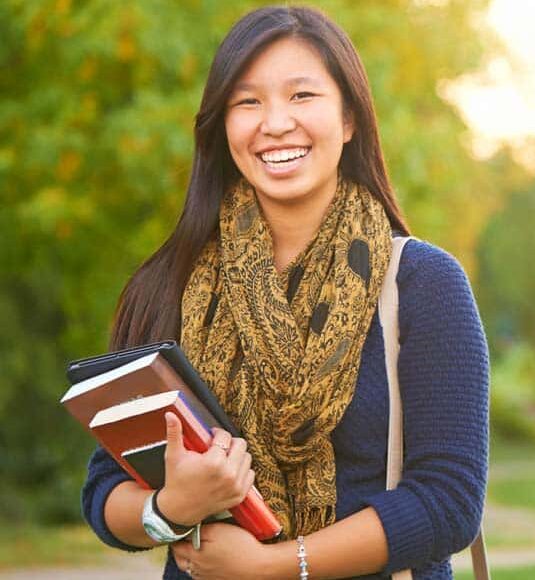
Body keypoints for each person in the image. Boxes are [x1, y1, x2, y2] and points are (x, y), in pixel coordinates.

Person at [82, 5, 489, 579]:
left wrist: (276, 566)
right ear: (222, 126)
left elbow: (450, 502)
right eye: (247, 101)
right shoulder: (168, 283)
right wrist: (171, 508)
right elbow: (105, 489)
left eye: (302, 96)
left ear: (349, 119)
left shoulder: (424, 284)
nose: (275, 123)